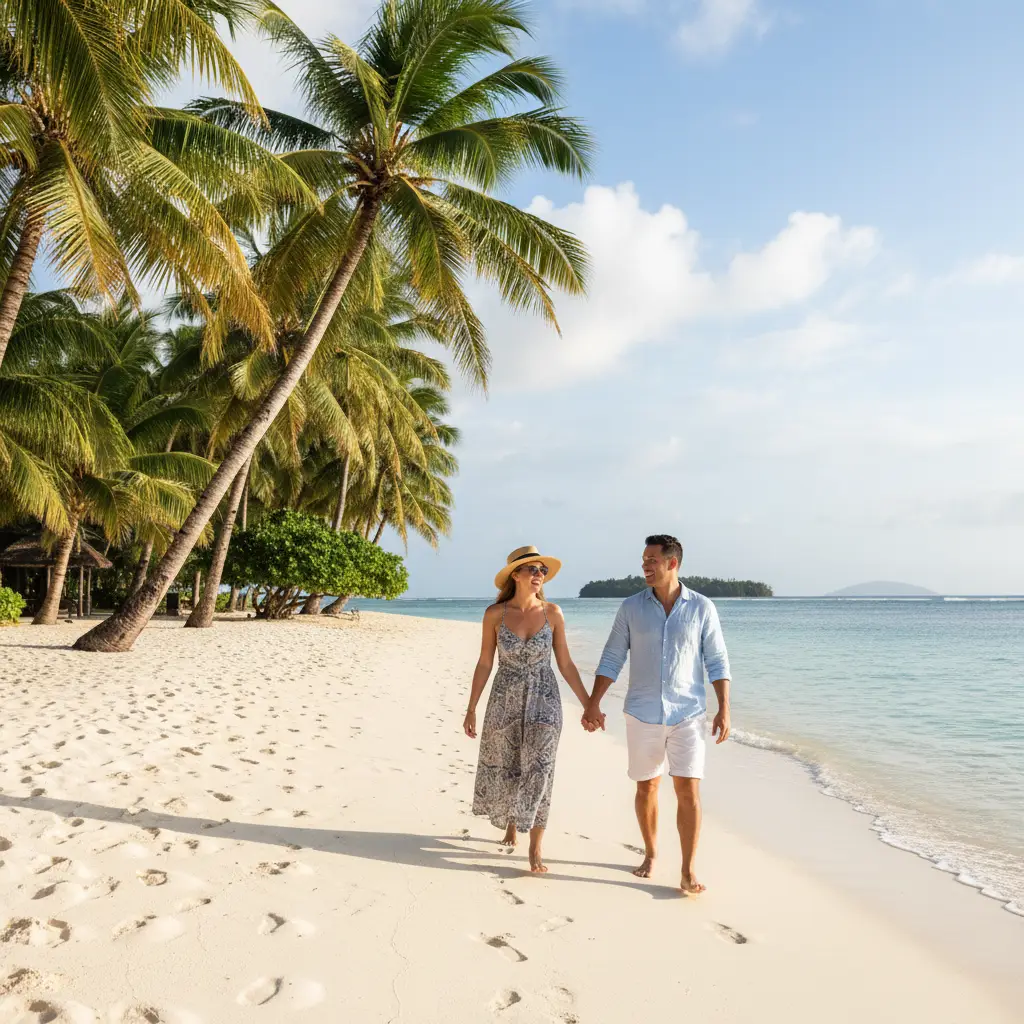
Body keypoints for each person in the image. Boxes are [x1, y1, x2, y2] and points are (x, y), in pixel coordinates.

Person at [583, 535, 731, 894]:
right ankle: (650, 854)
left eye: (652, 559)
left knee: (688, 790)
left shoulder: (701, 608)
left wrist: (724, 707)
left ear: (672, 563)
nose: (645, 566)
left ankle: (687, 869)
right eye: (643, 559)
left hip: (689, 713)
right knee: (647, 786)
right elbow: (612, 657)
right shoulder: (631, 608)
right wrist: (593, 702)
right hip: (643, 712)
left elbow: (716, 660)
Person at [464, 545, 601, 873]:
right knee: (510, 766)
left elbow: (565, 663)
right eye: (532, 569)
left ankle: (535, 847)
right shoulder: (494, 615)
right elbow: (485, 662)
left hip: (545, 699)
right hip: (504, 699)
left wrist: (589, 704)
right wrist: (471, 708)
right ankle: (512, 821)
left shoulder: (553, 613)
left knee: (540, 769)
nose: (539, 575)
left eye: (542, 570)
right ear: (516, 575)